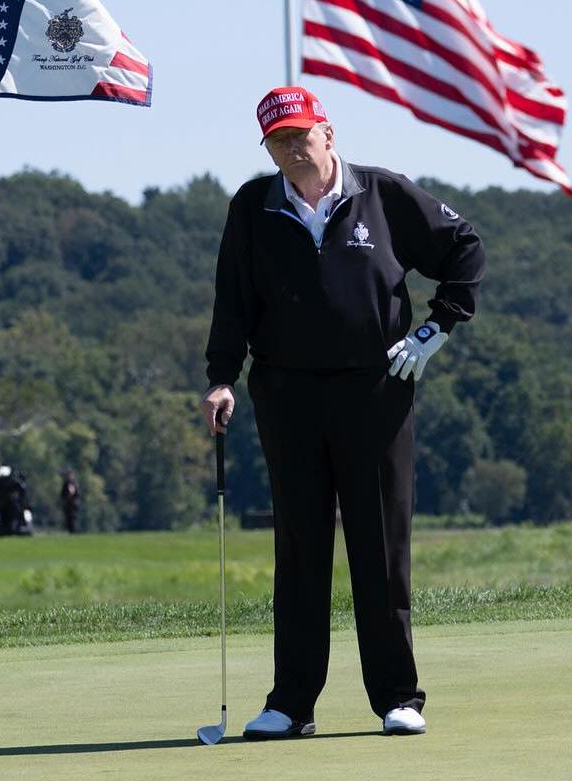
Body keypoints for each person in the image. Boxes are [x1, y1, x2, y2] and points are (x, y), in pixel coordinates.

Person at [200, 86, 484, 740]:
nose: (293, 149)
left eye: (302, 135)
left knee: (379, 546)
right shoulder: (253, 206)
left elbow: (464, 249)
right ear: (267, 148)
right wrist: (222, 378)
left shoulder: (382, 196)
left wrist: (435, 330)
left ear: (328, 133)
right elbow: (232, 300)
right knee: (300, 549)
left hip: (375, 393)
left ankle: (397, 697)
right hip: (286, 394)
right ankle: (292, 704)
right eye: (279, 140)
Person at [59, 469, 80, 534]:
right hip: (70, 504)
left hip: (71, 504)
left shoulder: (70, 483)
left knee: (71, 518)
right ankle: (71, 531)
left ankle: (72, 531)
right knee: (69, 519)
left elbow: (72, 493)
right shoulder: (72, 483)